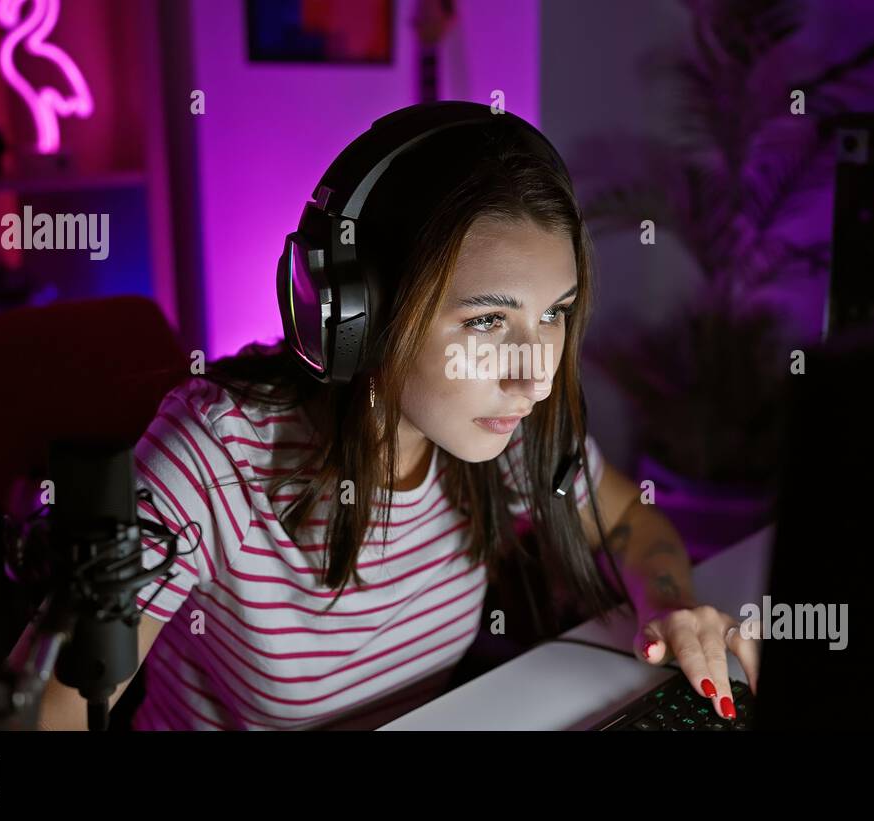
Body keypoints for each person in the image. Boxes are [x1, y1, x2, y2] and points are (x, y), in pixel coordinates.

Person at [37, 105, 759, 730]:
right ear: (357, 316)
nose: (534, 378)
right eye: (486, 321)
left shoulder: (502, 432)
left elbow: (630, 518)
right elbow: (50, 714)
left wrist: (672, 604)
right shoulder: (212, 456)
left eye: (555, 315)